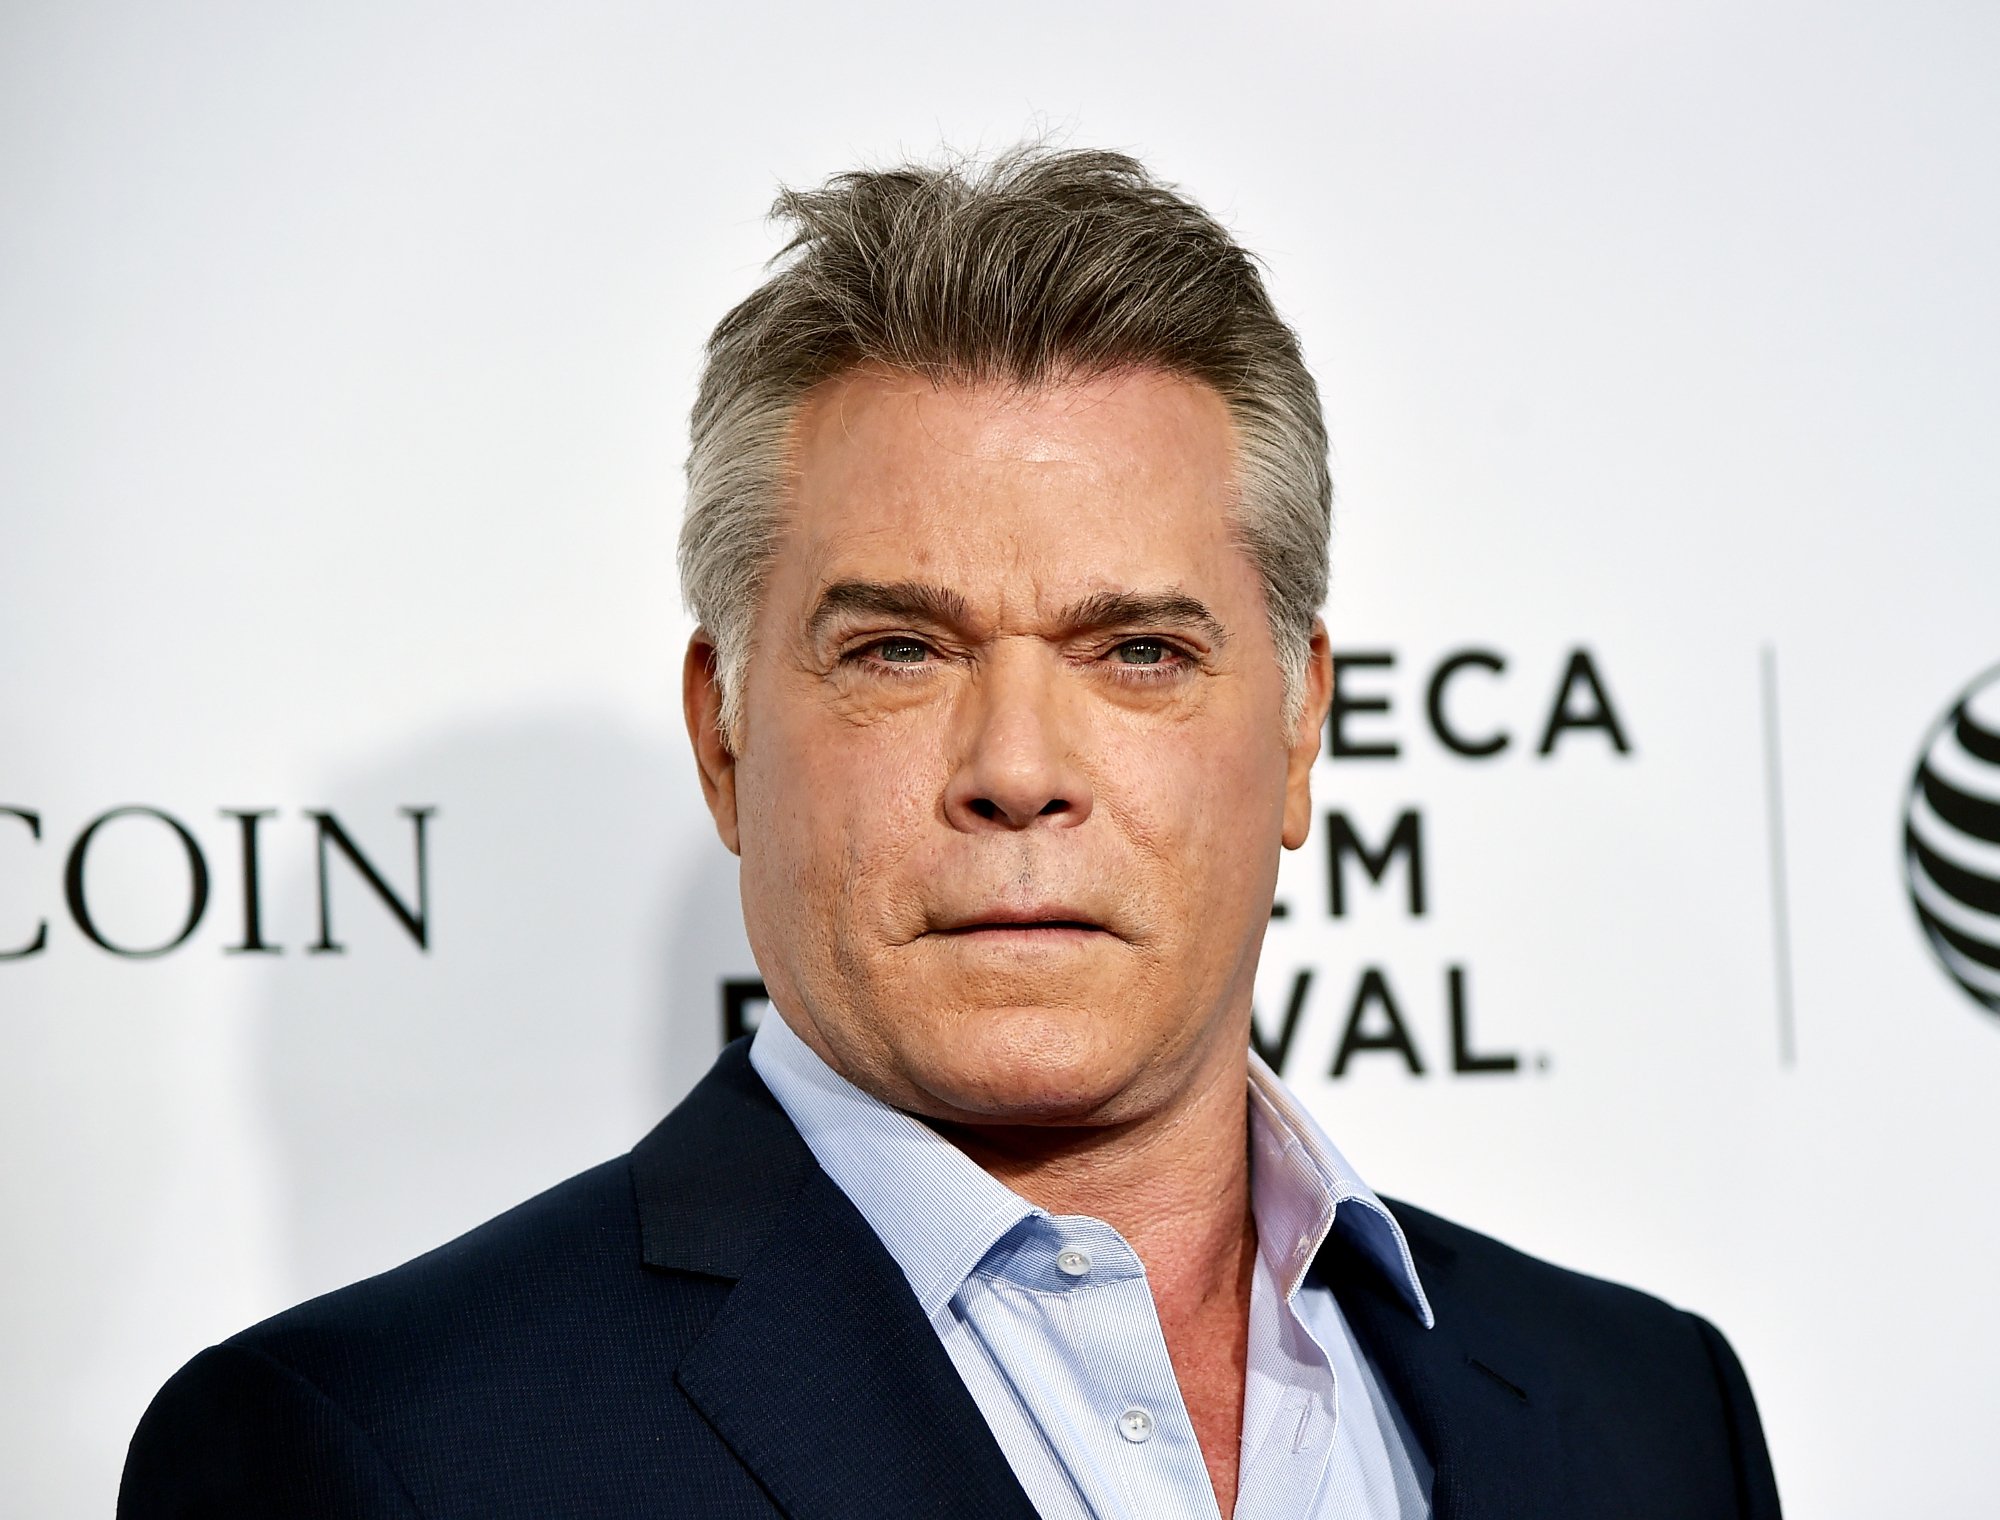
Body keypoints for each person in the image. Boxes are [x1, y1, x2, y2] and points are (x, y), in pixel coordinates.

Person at [120, 146, 1781, 1520]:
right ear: (725, 732)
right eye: (900, 652)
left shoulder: (1648, 1416)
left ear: (1295, 732)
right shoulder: (374, 1458)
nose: (1016, 769)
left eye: (1140, 652)